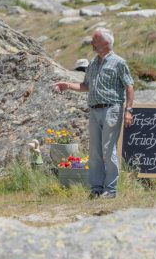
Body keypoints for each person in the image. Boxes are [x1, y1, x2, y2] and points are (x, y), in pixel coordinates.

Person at [53, 28, 134, 199]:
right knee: (95, 151)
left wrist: (128, 110)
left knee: (108, 149)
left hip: (112, 109)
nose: (91, 43)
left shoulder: (119, 62)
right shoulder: (93, 63)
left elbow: (129, 86)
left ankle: (110, 190)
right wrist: (67, 85)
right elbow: (86, 86)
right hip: (95, 110)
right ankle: (96, 188)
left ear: (106, 43)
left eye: (94, 40)